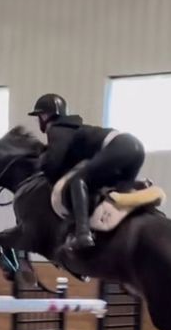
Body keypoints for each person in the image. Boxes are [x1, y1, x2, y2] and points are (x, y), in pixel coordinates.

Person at [29, 94, 145, 254]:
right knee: (117, 195)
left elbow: (54, 161)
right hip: (135, 149)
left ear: (44, 115)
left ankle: (83, 234)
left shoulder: (56, 128)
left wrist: (43, 166)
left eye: (39, 117)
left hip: (120, 146)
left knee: (78, 181)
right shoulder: (73, 130)